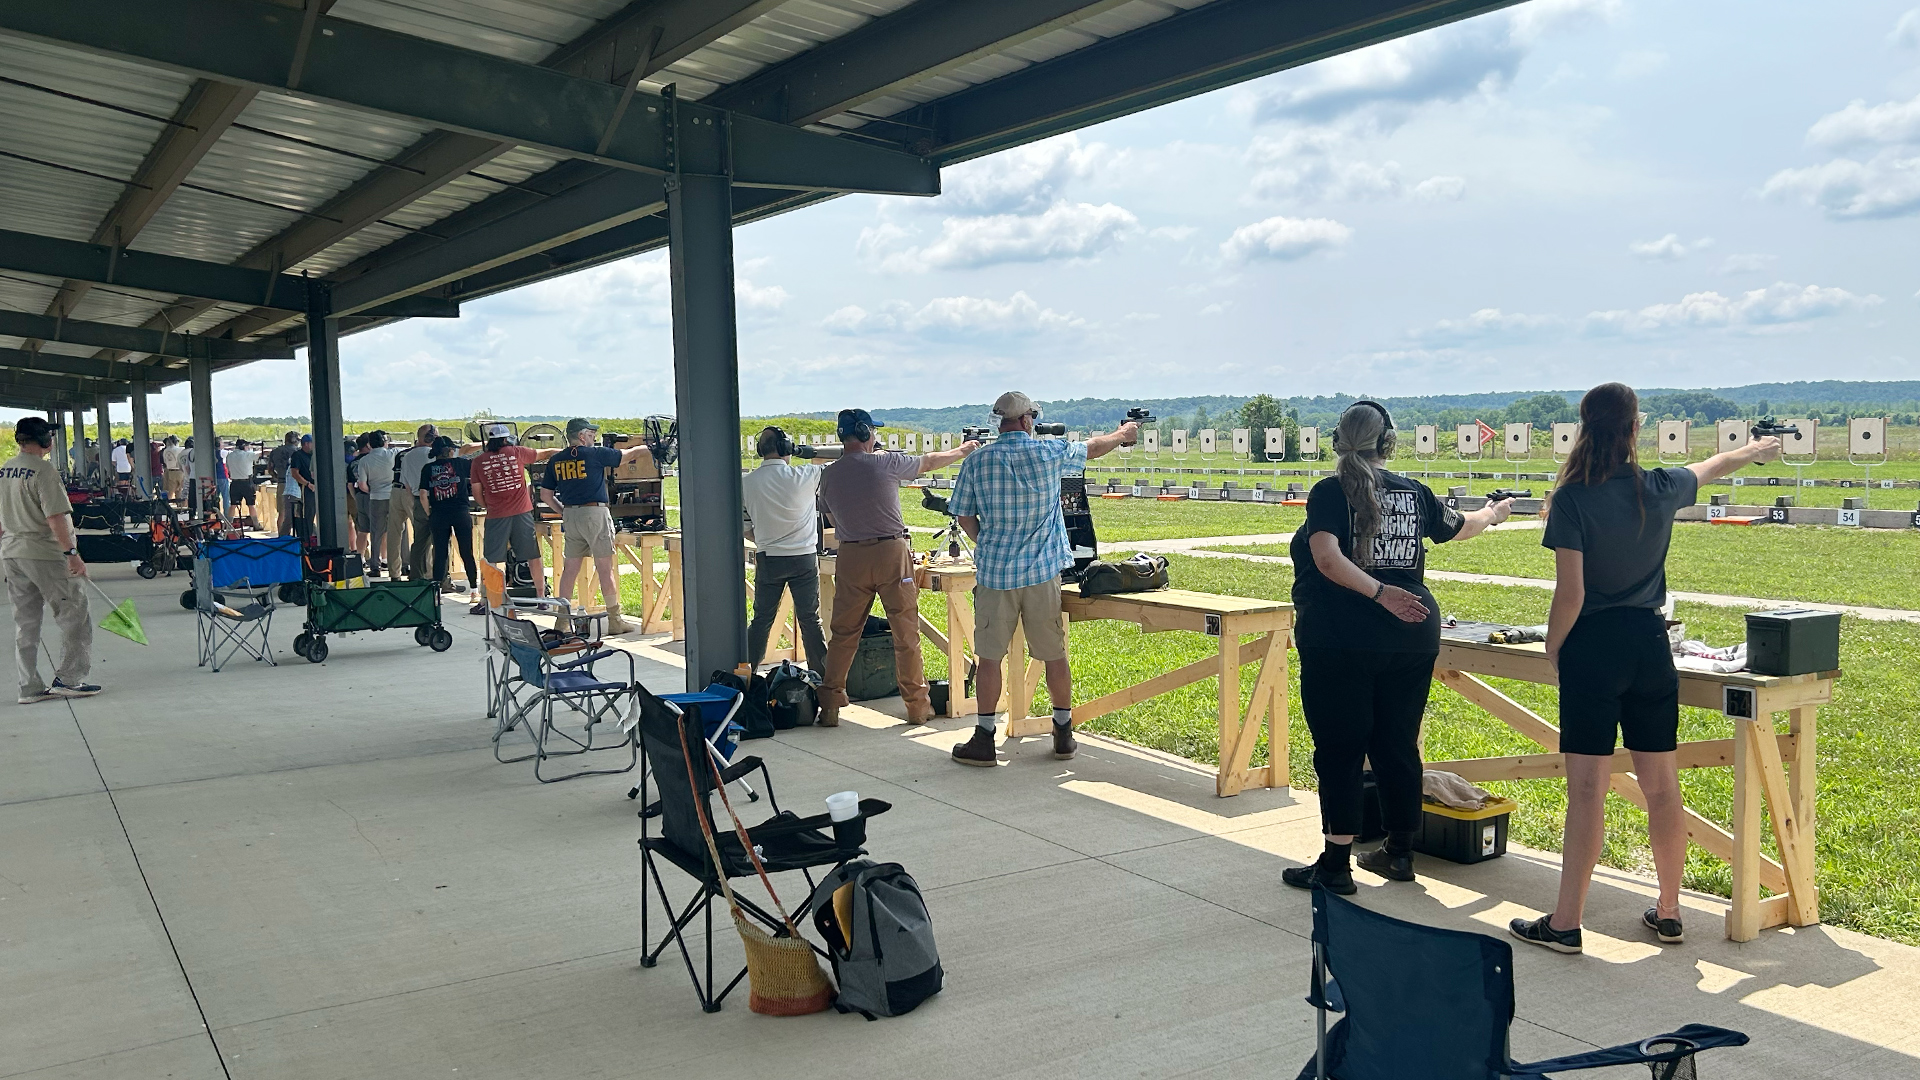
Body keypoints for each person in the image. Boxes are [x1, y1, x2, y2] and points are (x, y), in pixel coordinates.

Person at [1510, 384, 1781, 954]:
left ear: (1584, 427)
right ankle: (1669, 908)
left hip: (1594, 647)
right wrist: (1756, 450)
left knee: (1587, 790)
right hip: (1649, 645)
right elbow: (1712, 464)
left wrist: (1555, 648)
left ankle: (1566, 922)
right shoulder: (1657, 487)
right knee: (1663, 788)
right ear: (1636, 429)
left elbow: (1571, 594)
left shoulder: (1572, 499)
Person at [1277, 401, 1513, 894]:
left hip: (1341, 638)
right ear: (1389, 444)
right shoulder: (1414, 491)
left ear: (1338, 441)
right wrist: (1490, 514)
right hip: (1411, 635)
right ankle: (1400, 853)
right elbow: (1459, 526)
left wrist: (1379, 595)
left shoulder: (1328, 491)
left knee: (1341, 749)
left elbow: (1325, 557)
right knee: (1397, 744)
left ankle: (1337, 865)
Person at [944, 393, 1130, 766]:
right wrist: (1123, 433)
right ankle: (1063, 732)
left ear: (1000, 421)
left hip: (996, 574)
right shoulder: (1049, 453)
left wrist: (989, 542)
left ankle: (984, 738)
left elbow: (963, 515)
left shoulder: (978, 460)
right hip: (1043, 573)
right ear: (1028, 419)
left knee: (990, 657)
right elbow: (1093, 449)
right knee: (1054, 654)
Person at [817, 408, 976, 727]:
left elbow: (831, 517)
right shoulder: (885, 462)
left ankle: (831, 704)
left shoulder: (828, 474)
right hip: (890, 551)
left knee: (843, 633)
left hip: (850, 555)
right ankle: (917, 707)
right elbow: (928, 461)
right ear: (864, 433)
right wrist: (964, 450)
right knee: (905, 632)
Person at [0, 416, 100, 702]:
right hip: (44, 554)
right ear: (44, 440)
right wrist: (72, 555)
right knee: (74, 614)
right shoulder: (43, 471)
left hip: (12, 552)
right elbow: (55, 516)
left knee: (26, 622)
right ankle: (70, 679)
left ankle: (28, 687)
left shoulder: (5, 470)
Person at [538, 418, 653, 633]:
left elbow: (546, 494)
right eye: (591, 434)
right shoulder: (596, 454)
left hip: (571, 515)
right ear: (581, 436)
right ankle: (615, 620)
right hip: (595, 512)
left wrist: (563, 511)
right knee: (604, 568)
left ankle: (562, 621)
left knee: (569, 569)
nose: (593, 438)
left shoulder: (557, 460)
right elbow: (629, 456)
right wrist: (650, 447)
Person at [740, 426, 827, 671]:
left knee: (761, 621)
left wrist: (767, 539)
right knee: (810, 621)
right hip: (804, 558)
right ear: (786, 448)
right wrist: (807, 451)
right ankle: (823, 680)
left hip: (769, 558)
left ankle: (746, 675)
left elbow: (745, 528)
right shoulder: (806, 474)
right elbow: (839, 462)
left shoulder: (747, 483)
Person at [472, 424, 557, 599]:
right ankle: (541, 597)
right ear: (506, 439)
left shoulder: (478, 461)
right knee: (533, 556)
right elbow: (545, 453)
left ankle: (490, 598)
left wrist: (488, 506)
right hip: (522, 512)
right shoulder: (517, 452)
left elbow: (477, 492)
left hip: (496, 514)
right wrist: (569, 450)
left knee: (491, 560)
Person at [419, 436, 480, 602]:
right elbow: (478, 467)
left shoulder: (428, 468)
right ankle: (474, 589)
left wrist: (429, 513)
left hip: (438, 514)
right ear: (450, 450)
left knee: (440, 553)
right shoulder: (461, 464)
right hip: (460, 512)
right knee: (466, 551)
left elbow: (423, 495)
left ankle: (436, 593)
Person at [395, 424, 438, 580]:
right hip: (436, 500)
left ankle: (416, 576)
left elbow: (406, 485)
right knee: (440, 542)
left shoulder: (407, 457)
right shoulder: (434, 455)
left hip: (416, 500)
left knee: (419, 542)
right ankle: (441, 578)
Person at [355, 431, 399, 576]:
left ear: (369, 444)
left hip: (376, 498)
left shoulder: (364, 461)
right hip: (393, 496)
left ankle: (375, 566)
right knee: (399, 531)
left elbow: (362, 484)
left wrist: (372, 490)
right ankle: (402, 564)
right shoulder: (393, 453)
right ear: (385, 442)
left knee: (376, 533)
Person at [266, 431, 298, 536]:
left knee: (282, 512)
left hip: (281, 482)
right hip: (295, 484)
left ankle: (282, 537)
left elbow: (270, 469)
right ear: (296, 441)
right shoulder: (298, 452)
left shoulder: (275, 451)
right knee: (297, 512)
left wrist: (277, 477)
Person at [287, 434, 316, 538]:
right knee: (306, 514)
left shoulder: (313, 455)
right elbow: (295, 473)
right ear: (307, 444)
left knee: (312, 514)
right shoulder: (298, 455)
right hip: (305, 488)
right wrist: (307, 484)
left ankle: (311, 536)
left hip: (315, 488)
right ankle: (305, 538)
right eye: (312, 443)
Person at [226, 440, 259, 529]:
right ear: (243, 446)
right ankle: (256, 525)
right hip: (246, 483)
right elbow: (261, 454)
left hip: (235, 483)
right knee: (251, 505)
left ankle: (229, 525)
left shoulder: (229, 455)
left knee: (233, 505)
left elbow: (228, 469)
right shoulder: (247, 455)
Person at [160, 435, 186, 499]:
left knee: (170, 491)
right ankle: (179, 506)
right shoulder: (180, 449)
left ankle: (167, 505)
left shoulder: (165, 451)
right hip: (180, 471)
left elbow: (165, 461)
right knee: (180, 490)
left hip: (170, 471)